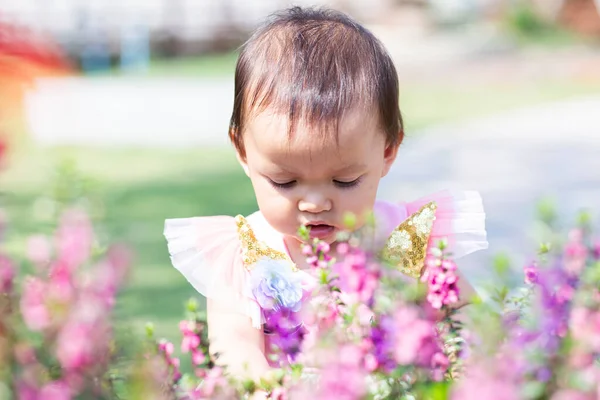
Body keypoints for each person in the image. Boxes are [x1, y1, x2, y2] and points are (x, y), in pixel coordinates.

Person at [164, 6, 487, 383]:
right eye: (285, 182)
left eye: (345, 180)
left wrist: (462, 358)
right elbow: (232, 342)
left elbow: (462, 310)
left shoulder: (405, 240)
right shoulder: (243, 252)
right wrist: (265, 383)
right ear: (243, 152)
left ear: (387, 152)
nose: (315, 203)